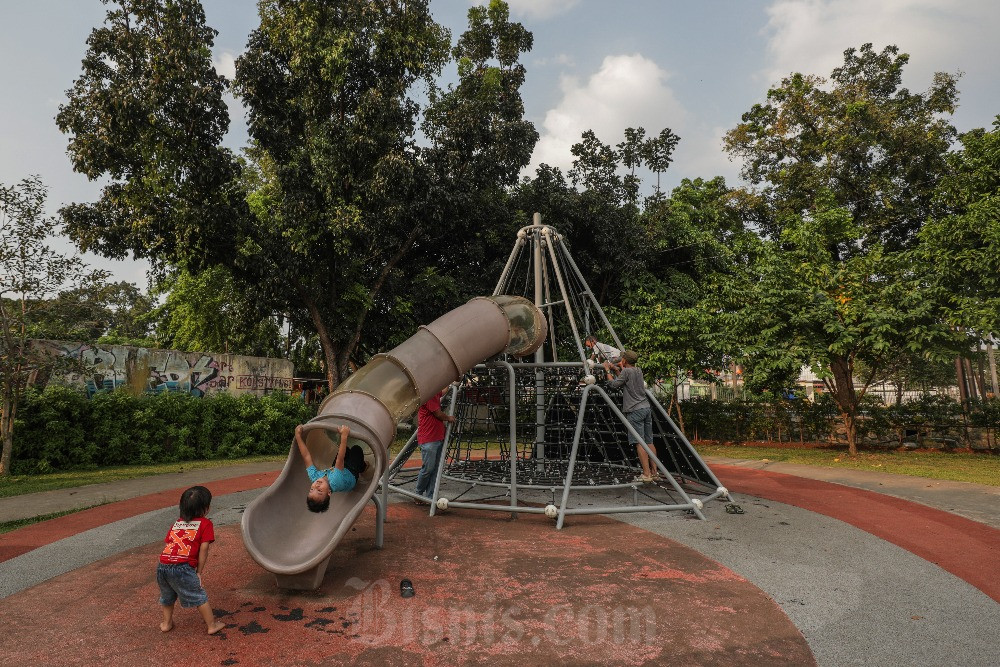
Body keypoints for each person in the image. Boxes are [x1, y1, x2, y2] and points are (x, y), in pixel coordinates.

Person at [157, 485, 226, 635]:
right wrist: (199, 571)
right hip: (182, 567)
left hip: (163, 565)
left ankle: (166, 624)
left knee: (167, 596)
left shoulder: (177, 523)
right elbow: (204, 548)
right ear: (206, 508)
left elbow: (169, 542)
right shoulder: (205, 524)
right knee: (198, 595)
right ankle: (212, 625)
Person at [604, 350, 656, 483]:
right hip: (645, 408)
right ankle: (655, 472)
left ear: (625, 361)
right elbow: (625, 380)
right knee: (649, 441)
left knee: (640, 442)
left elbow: (614, 385)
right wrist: (617, 369)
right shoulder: (638, 370)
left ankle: (646, 474)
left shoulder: (626, 372)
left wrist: (607, 371)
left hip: (634, 411)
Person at [297, 423, 367, 513]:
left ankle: (357, 462)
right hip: (351, 474)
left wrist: (298, 436)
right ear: (329, 492)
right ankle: (363, 467)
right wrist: (344, 435)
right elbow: (339, 460)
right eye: (319, 490)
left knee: (346, 449)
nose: (316, 485)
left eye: (312, 489)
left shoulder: (314, 477)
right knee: (356, 449)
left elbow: (306, 456)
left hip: (338, 469)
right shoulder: (335, 481)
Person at [414, 389, 457, 500]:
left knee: (435, 469)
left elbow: (443, 390)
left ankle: (430, 496)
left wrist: (452, 381)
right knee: (428, 469)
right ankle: (418, 494)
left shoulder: (434, 392)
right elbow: (438, 413)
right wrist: (448, 418)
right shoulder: (429, 395)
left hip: (437, 437)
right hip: (429, 439)